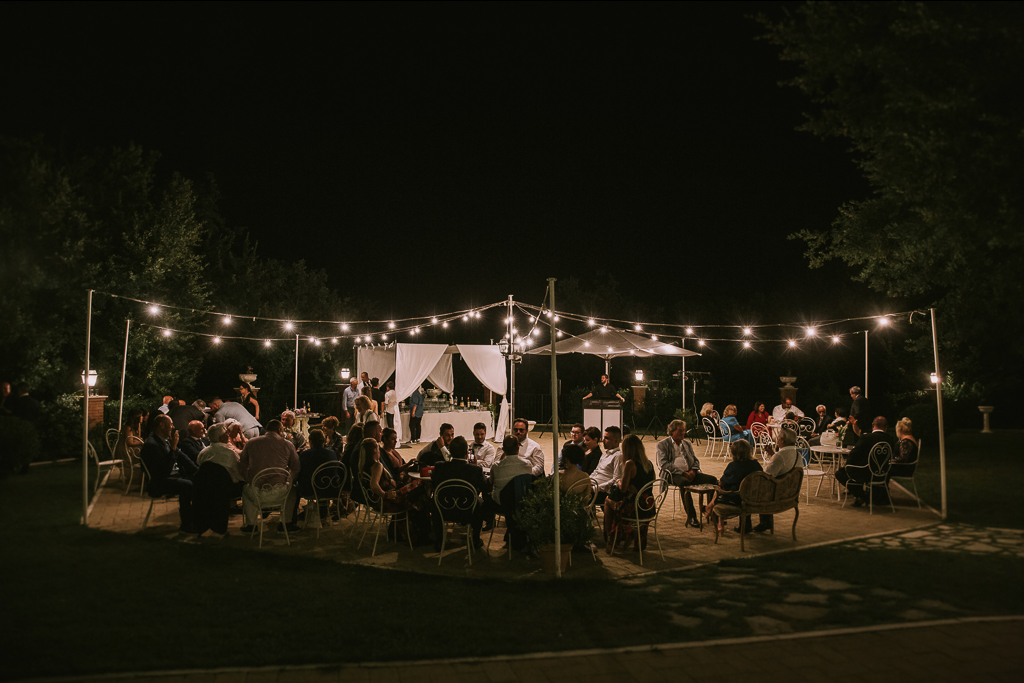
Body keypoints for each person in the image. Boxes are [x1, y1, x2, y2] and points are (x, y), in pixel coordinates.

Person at [139, 414, 199, 533]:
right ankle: (187, 525)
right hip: (160, 481)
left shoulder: (164, 439)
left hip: (173, 476)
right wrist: (172, 448)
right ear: (161, 425)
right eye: (170, 424)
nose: (173, 427)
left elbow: (182, 457)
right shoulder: (152, 445)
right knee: (188, 486)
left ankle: (197, 520)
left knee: (199, 479)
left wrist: (197, 470)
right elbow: (164, 471)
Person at [239, 419, 300, 533]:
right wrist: (288, 480)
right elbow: (296, 468)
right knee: (293, 491)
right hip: (280, 493)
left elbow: (242, 465)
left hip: (256, 492)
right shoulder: (287, 444)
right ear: (279, 430)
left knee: (245, 490)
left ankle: (251, 525)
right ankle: (285, 524)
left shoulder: (251, 442)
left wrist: (250, 479)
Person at [656, 419, 718, 528]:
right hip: (673, 474)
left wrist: (693, 471)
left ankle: (712, 511)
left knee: (713, 480)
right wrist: (682, 473)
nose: (683, 433)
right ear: (672, 431)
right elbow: (664, 464)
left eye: (684, 430)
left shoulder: (687, 443)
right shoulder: (662, 444)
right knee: (684, 483)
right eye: (680, 431)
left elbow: (695, 460)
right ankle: (691, 516)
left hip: (690, 472)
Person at [430, 436, 488, 551]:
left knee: (434, 501)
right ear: (466, 453)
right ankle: (475, 540)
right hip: (468, 512)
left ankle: (439, 541)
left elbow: (434, 484)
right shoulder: (474, 470)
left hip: (444, 510)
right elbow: (485, 488)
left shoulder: (439, 467)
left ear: (450, 451)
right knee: (481, 502)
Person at [603, 434, 656, 552]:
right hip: (647, 506)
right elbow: (651, 482)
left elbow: (623, 488)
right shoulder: (649, 464)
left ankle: (610, 538)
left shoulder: (630, 464)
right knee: (616, 502)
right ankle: (628, 537)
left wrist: (618, 481)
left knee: (608, 501)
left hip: (633, 508)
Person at [835, 415, 897, 507]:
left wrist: (849, 465)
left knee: (840, 473)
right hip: (883, 473)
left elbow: (854, 455)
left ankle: (862, 496)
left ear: (873, 425)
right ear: (886, 427)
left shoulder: (866, 438)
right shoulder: (889, 440)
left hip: (866, 473)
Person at [707, 440, 763, 534]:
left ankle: (715, 514)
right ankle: (745, 526)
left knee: (719, 486)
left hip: (737, 499)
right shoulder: (755, 464)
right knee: (741, 489)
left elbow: (722, 482)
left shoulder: (733, 466)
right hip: (753, 497)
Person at [753, 427, 800, 532]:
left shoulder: (780, 456)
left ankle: (762, 522)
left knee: (758, 486)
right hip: (792, 492)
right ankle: (766, 522)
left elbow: (766, 475)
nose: (777, 440)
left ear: (782, 440)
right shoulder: (797, 454)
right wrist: (773, 454)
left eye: (778, 438)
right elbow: (785, 466)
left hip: (778, 494)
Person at [296, 428, 340, 520]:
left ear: (310, 441)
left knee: (295, 486)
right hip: (330, 489)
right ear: (324, 441)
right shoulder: (331, 453)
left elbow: (300, 472)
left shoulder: (305, 455)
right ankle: (322, 511)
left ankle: (293, 518)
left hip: (310, 490)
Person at [196, 423, 245, 493]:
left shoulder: (202, 453)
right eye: (226, 433)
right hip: (228, 488)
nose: (228, 435)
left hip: (207, 488)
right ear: (221, 438)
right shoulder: (230, 454)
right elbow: (239, 474)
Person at [591, 426, 623, 504]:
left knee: (576, 494)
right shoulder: (605, 454)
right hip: (593, 484)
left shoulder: (618, 456)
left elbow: (616, 480)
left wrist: (594, 488)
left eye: (606, 438)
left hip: (603, 491)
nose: (602, 440)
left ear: (616, 441)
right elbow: (596, 471)